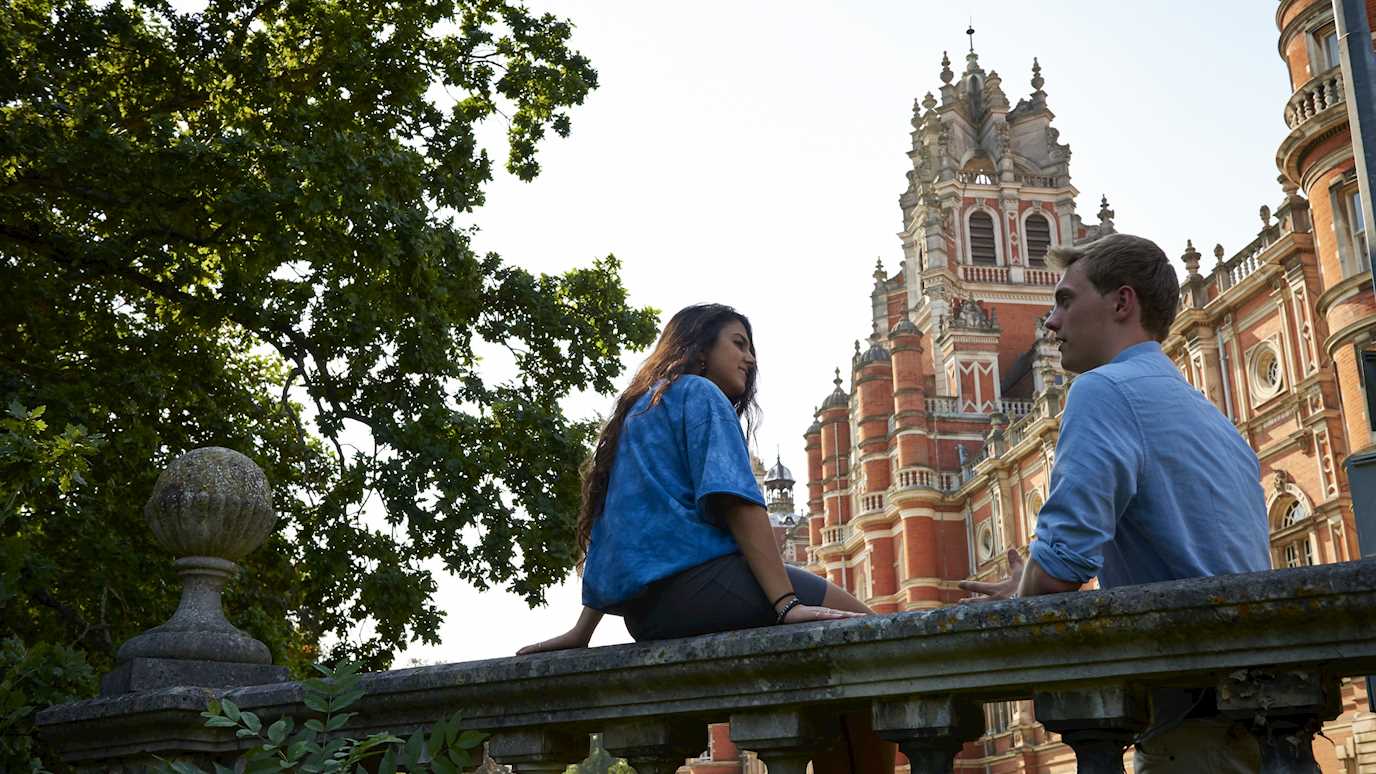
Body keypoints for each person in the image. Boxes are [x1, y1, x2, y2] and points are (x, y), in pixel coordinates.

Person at [519, 303, 893, 773]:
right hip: (700, 589)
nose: (749, 359)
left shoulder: (639, 409)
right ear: (698, 346)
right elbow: (739, 502)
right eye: (738, 344)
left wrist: (583, 630)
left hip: (647, 615)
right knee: (867, 636)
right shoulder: (699, 394)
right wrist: (785, 605)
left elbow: (619, 530)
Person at [959, 234, 1270, 774]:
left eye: (1064, 300)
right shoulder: (1215, 420)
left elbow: (1059, 573)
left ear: (1122, 303)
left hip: (1190, 719)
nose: (1050, 323)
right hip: (1263, 709)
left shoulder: (1102, 391)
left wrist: (1031, 585)